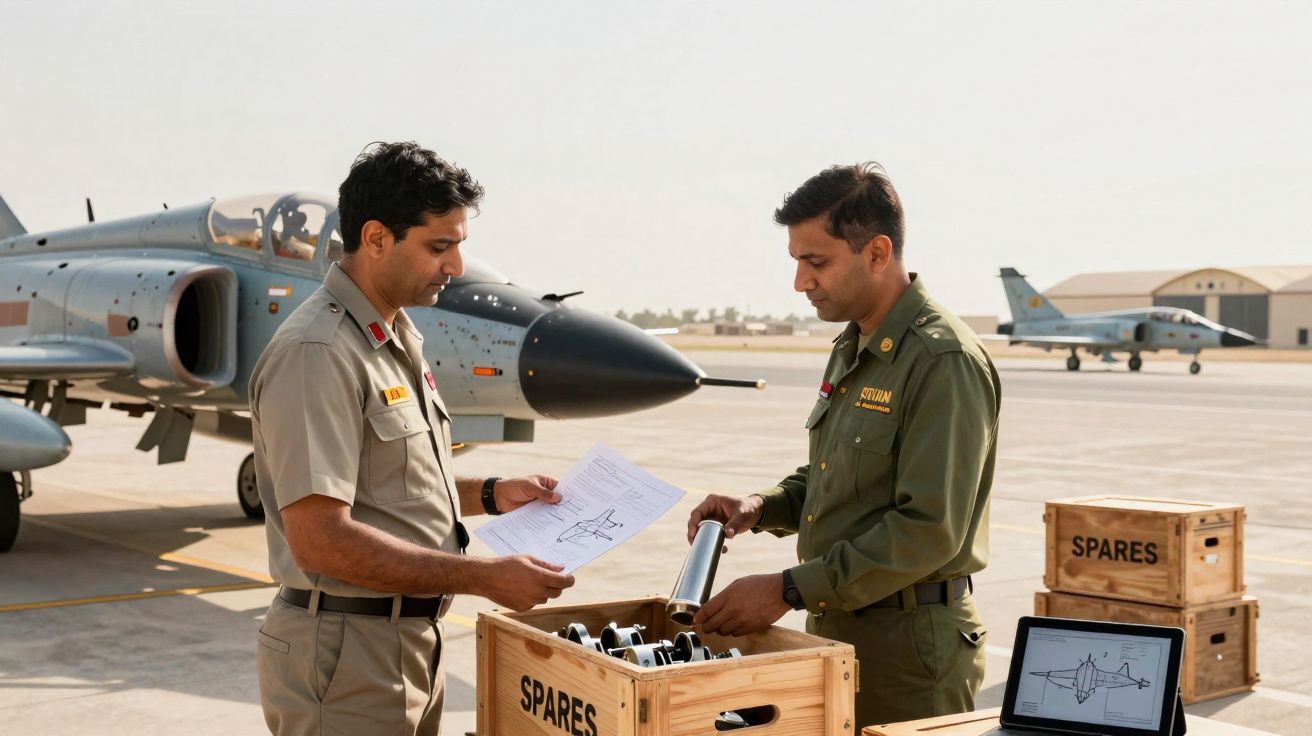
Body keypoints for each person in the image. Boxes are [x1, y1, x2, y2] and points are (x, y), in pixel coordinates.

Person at [249, 141, 576, 736]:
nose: (454, 267)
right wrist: (483, 577)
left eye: (458, 247)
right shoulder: (317, 352)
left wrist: (495, 492)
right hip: (347, 655)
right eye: (438, 246)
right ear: (376, 239)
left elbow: (388, 485)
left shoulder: (392, 336)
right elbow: (320, 539)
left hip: (403, 643)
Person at [687, 163, 1000, 728]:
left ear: (878, 253)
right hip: (838, 626)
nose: (800, 282)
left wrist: (786, 589)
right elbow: (833, 476)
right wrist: (760, 507)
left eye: (817, 262)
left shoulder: (941, 359)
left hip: (909, 652)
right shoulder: (854, 343)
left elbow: (929, 528)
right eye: (797, 262)